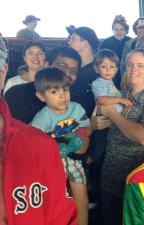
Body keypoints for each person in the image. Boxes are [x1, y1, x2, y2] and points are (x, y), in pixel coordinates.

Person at [0, 28, 77, 225]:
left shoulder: (39, 146)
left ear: (3, 70)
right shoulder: (17, 94)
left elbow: (63, 216)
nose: (61, 95)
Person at [98, 48, 144, 225]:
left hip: (141, 183)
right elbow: (98, 118)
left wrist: (112, 114)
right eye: (129, 65)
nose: (133, 69)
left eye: (140, 65)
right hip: (111, 178)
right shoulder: (119, 95)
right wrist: (95, 123)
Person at [30, 67, 89, 225]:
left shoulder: (76, 108)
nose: (63, 96)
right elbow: (33, 141)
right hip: (52, 165)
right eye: (54, 92)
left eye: (66, 89)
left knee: (82, 200)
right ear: (41, 96)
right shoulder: (42, 118)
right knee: (58, 203)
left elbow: (86, 130)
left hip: (74, 162)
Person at [4, 46, 82, 123]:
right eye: (62, 66)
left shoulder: (77, 102)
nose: (67, 74)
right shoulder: (18, 94)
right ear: (47, 65)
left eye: (73, 71)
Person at [89, 49, 132, 163]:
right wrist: (120, 99)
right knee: (99, 152)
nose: (108, 69)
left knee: (107, 152)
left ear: (116, 69)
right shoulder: (98, 82)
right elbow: (101, 100)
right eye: (103, 66)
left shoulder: (112, 85)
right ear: (96, 69)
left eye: (112, 66)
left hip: (112, 124)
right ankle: (93, 174)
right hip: (103, 124)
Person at [68, 26, 99, 118]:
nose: (69, 42)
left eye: (72, 39)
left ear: (85, 43)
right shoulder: (72, 68)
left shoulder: (101, 72)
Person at [99, 15, 131, 88]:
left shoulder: (130, 42)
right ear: (112, 30)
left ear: (126, 31)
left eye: (121, 29)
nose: (119, 32)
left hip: (126, 73)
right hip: (110, 73)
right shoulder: (106, 42)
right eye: (116, 30)